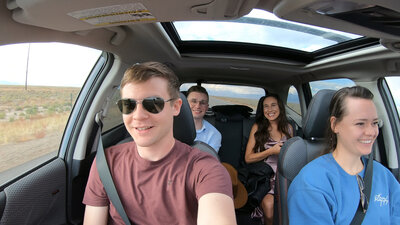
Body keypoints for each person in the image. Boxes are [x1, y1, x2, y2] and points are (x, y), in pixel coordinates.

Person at [82, 62, 236, 225]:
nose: (138, 116)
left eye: (153, 104)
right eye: (128, 105)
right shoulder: (106, 162)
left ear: (176, 107)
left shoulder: (205, 169)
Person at [288, 86, 400, 224]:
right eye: (360, 123)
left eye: (374, 123)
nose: (371, 132)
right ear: (335, 125)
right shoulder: (310, 184)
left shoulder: (383, 175)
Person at [244, 93, 293, 225]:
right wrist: (271, 151)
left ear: (280, 107)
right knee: (269, 207)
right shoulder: (258, 128)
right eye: (266, 106)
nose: (269, 110)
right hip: (265, 177)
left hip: (285, 175)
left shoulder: (289, 128)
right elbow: (248, 158)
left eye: (273, 105)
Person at [186, 85, 222, 152]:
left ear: (207, 107)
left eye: (202, 103)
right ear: (185, 103)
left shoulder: (214, 135)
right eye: (194, 101)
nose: (197, 106)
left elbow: (209, 161)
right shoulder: (172, 127)